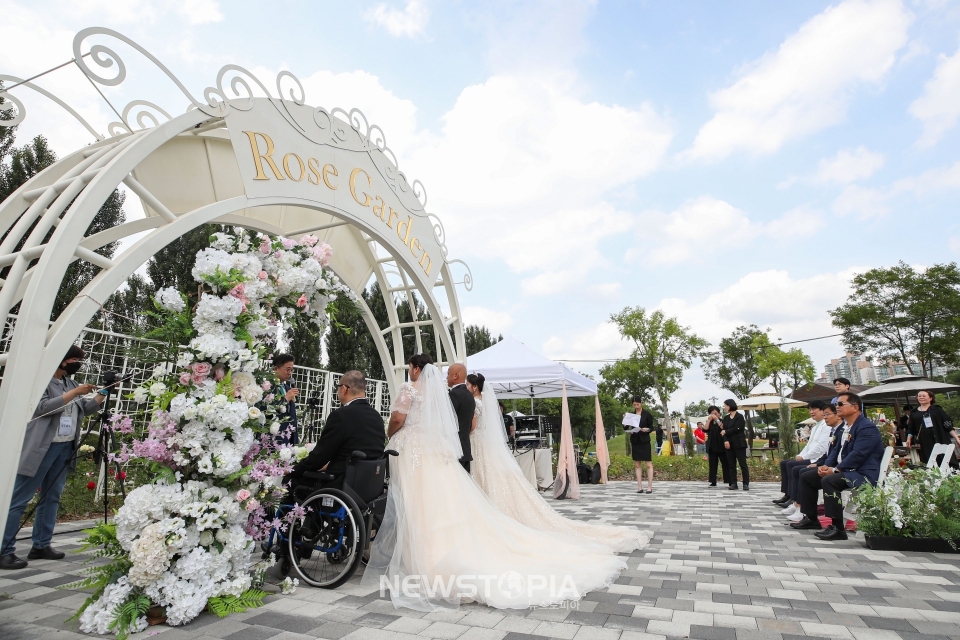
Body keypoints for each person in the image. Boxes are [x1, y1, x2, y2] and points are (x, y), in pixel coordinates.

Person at [363, 354, 628, 610]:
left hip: (413, 448)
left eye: (410, 367)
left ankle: (420, 554)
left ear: (416, 369)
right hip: (435, 449)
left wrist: (391, 433)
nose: (409, 371)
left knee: (415, 498)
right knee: (439, 498)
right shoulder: (440, 394)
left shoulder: (410, 388)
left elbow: (398, 418)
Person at [469, 375, 650, 551]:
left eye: (468, 384)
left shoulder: (477, 403)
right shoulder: (486, 403)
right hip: (485, 445)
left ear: (474, 386)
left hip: (480, 443)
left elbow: (474, 427)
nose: (467, 387)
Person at [1, 345, 106, 570]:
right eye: (74, 359)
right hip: (42, 447)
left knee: (52, 497)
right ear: (62, 359)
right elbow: (41, 408)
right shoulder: (41, 382)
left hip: (64, 447)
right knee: (21, 498)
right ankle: (4, 549)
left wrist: (102, 393)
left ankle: (41, 544)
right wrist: (74, 393)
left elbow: (84, 409)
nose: (77, 364)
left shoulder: (69, 383)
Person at [793, 392, 884, 540]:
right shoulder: (845, 427)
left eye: (840, 404)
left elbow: (859, 455)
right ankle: (811, 518)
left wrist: (835, 470)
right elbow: (836, 452)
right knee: (807, 476)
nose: (837, 407)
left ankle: (837, 528)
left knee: (829, 480)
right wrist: (826, 466)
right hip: (846, 471)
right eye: (836, 404)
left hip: (863, 474)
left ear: (855, 407)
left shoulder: (866, 428)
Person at [287, 370, 385, 488]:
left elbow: (319, 457)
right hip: (367, 484)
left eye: (338, 387)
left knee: (289, 481)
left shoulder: (341, 415)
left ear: (344, 389)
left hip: (340, 483)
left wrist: (294, 470)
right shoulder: (376, 416)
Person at [781, 403, 844, 523]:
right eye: (824, 414)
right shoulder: (832, 430)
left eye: (827, 414)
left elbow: (823, 449)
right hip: (824, 462)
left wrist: (833, 468)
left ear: (839, 415)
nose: (825, 417)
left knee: (803, 472)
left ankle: (804, 510)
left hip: (844, 470)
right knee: (797, 469)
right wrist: (821, 464)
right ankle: (801, 508)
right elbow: (830, 453)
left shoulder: (842, 430)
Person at [774, 400, 830, 509]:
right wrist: (800, 455)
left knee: (792, 465)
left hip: (817, 458)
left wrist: (804, 457)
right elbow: (808, 445)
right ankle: (788, 493)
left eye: (814, 409)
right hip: (811, 456)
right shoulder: (815, 427)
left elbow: (821, 447)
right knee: (785, 463)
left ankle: (794, 497)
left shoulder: (826, 426)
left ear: (823, 411)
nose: (811, 412)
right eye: (809, 410)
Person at [906, 390, 960, 466]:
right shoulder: (914, 412)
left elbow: (948, 425)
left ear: (930, 398)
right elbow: (911, 428)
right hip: (925, 442)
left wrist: (957, 438)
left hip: (941, 439)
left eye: (924, 396)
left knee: (947, 461)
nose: (921, 397)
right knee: (930, 462)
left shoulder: (937, 410)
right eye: (919, 396)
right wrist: (909, 439)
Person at [266, 354, 299, 444]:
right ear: (276, 369)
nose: (290, 373)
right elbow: (265, 410)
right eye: (287, 369)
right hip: (271, 440)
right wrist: (285, 399)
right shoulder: (266, 387)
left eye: (291, 370)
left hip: (288, 439)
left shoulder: (288, 388)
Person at [446, 363, 473, 472]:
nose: (447, 377)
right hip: (465, 449)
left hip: (455, 449)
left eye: (448, 374)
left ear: (455, 376)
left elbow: (448, 421)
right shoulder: (469, 395)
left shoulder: (454, 395)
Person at [628, 396, 654, 494]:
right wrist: (625, 423)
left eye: (637, 404)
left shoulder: (647, 414)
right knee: (637, 464)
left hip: (644, 440)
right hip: (635, 441)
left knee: (648, 464)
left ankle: (649, 487)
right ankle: (639, 486)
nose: (636, 406)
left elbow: (652, 427)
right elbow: (626, 426)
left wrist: (647, 429)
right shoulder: (631, 415)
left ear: (641, 403)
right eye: (634, 405)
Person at [721, 399, 749, 491]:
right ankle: (733, 483)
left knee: (742, 464)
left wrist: (726, 431)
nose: (724, 407)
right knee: (731, 464)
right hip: (729, 444)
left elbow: (737, 428)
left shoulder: (740, 417)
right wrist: (725, 441)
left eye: (725, 405)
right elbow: (723, 431)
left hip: (739, 443)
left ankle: (745, 483)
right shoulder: (726, 418)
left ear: (730, 406)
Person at [704, 406, 730, 487]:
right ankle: (713, 481)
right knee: (712, 464)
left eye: (715, 413)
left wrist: (717, 420)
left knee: (725, 463)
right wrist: (709, 420)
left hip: (722, 446)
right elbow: (705, 429)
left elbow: (723, 427)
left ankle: (728, 480)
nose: (714, 415)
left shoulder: (723, 421)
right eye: (712, 414)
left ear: (719, 413)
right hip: (712, 446)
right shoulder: (710, 422)